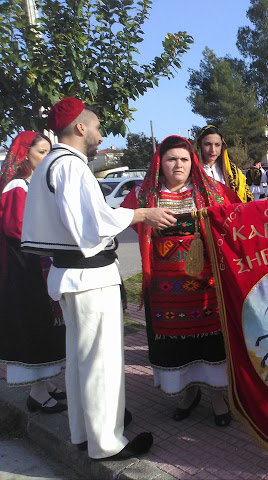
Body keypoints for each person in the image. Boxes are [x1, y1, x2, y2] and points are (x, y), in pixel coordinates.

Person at [21, 97, 177, 461]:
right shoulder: (71, 166)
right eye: (96, 126)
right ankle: (106, 442)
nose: (100, 133)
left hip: (73, 277)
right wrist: (140, 213)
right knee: (100, 362)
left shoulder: (51, 164)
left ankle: (85, 432)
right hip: (89, 278)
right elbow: (91, 224)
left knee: (81, 360)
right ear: (80, 127)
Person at [122, 135, 239, 427]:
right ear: (159, 162)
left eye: (184, 159)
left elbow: (240, 218)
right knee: (176, 345)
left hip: (207, 289)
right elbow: (114, 218)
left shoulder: (213, 191)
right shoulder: (144, 195)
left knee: (212, 343)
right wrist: (142, 216)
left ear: (193, 162)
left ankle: (217, 397)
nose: (178, 165)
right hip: (164, 292)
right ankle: (188, 394)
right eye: (172, 159)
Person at [0, 131, 67, 413]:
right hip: (25, 273)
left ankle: (46, 385)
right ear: (24, 155)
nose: (46, 158)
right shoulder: (17, 187)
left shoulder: (32, 185)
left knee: (48, 327)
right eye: (41, 152)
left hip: (37, 268)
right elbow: (17, 229)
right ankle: (37, 393)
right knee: (35, 327)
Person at [195, 125, 253, 202]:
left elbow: (246, 199)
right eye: (208, 144)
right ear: (200, 146)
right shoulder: (192, 171)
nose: (213, 150)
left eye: (217, 145)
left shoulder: (233, 172)